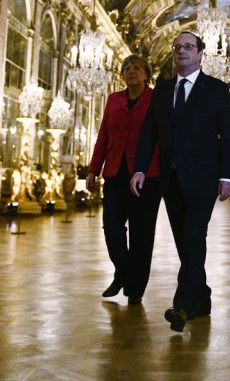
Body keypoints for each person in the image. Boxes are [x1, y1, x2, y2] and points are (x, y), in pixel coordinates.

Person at [130, 31, 230, 333]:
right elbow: (149, 132)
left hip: (203, 177)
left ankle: (182, 305)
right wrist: (139, 169)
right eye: (177, 47)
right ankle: (202, 297)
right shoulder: (162, 90)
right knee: (184, 243)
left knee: (193, 237)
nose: (182, 52)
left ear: (201, 54)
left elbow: (227, 134)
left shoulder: (216, 89)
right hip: (170, 178)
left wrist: (227, 175)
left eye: (188, 47)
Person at [87, 55, 161, 305]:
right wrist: (93, 169)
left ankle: (135, 289)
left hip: (147, 175)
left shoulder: (156, 98)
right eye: (127, 68)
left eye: (137, 67)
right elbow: (103, 136)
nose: (131, 71)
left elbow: (161, 137)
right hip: (115, 173)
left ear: (146, 74)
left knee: (142, 234)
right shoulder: (114, 99)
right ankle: (123, 271)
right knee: (111, 228)